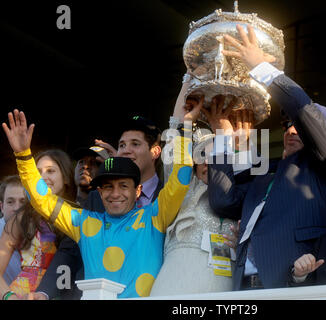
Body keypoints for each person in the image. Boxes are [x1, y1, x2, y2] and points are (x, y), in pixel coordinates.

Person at [207, 24, 326, 290]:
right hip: (244, 283)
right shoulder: (266, 171)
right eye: (287, 125)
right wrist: (222, 136)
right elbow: (223, 200)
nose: (292, 129)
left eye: (301, 127)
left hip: (296, 281)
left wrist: (262, 69)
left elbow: (306, 114)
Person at [2, 107, 196, 298]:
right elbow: (43, 200)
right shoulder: (83, 223)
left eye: (123, 185)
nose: (115, 193)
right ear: (100, 192)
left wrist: (185, 127)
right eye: (108, 187)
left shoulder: (155, 216)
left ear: (138, 191)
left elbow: (180, 181)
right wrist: (24, 156)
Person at [150, 81, 236, 296]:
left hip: (223, 285)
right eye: (202, 157)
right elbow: (175, 131)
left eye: (215, 157)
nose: (208, 163)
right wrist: (188, 81)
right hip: (177, 279)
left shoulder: (236, 196)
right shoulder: (183, 188)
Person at [33, 146, 108, 300]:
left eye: (94, 163)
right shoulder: (58, 210)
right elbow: (67, 253)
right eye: (81, 162)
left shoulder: (111, 211)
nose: (85, 166)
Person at [0, 149, 76, 299]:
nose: (43, 177)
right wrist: (9, 296)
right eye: (38, 172)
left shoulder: (79, 215)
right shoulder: (22, 217)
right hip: (24, 295)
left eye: (50, 171)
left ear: (66, 177)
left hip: (67, 292)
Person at [0, 176, 25, 285]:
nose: (16, 208)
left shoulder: (45, 234)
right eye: (10, 202)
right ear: (1, 207)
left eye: (23, 202)